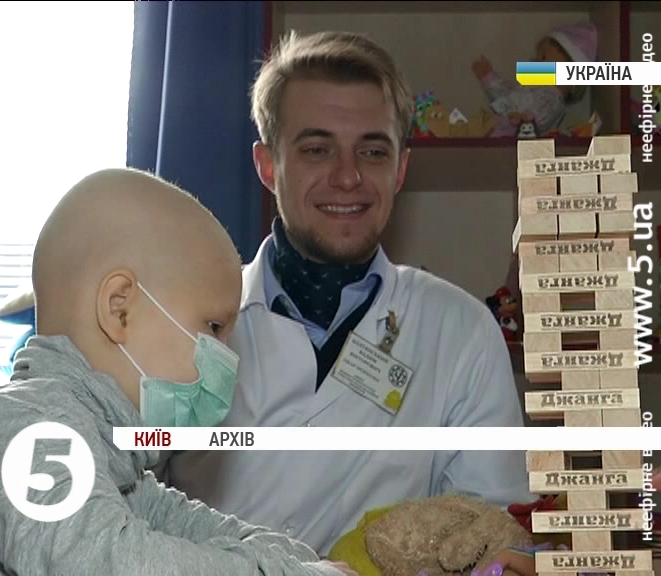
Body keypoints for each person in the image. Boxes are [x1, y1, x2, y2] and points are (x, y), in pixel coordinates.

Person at [160, 29, 534, 560]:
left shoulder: (462, 332)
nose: (348, 176)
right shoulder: (181, 323)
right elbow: (127, 511)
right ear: (267, 166)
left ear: (400, 170)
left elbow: (493, 541)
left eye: (372, 151)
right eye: (317, 149)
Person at [0, 168, 356, 576]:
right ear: (119, 309)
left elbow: (181, 523)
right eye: (213, 328)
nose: (227, 359)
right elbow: (108, 564)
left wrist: (301, 562)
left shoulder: (113, 460)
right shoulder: (29, 429)